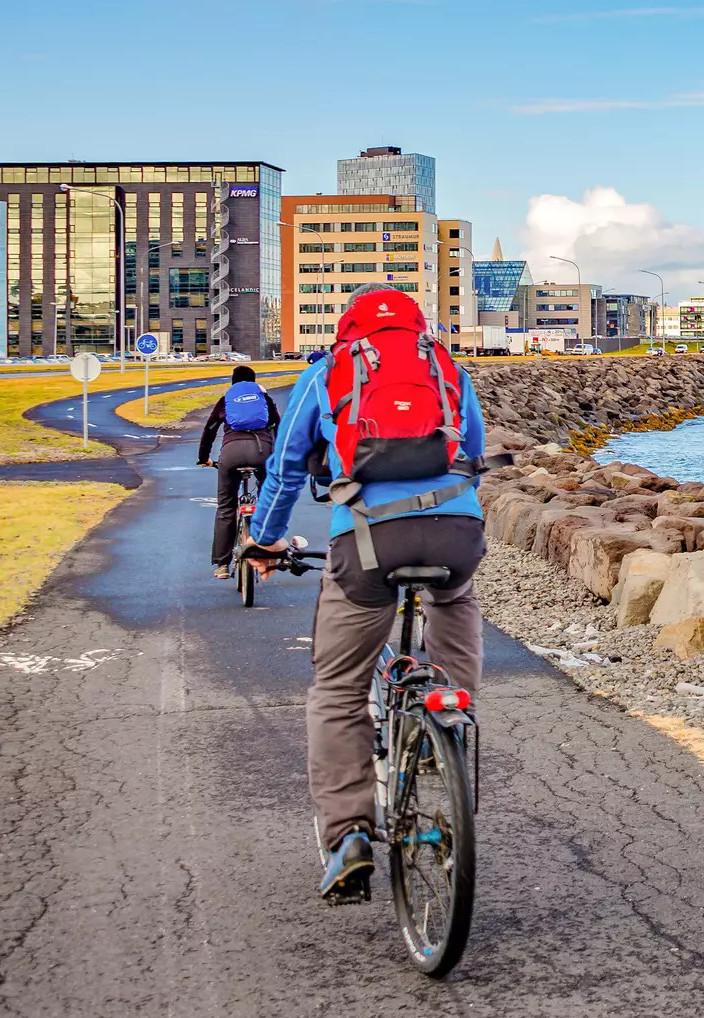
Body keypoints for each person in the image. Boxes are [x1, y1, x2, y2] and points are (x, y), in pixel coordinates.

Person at [247, 284, 494, 904]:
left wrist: (265, 541)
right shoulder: (445, 366)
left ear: (348, 329)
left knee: (338, 688)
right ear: (417, 326)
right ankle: (449, 720)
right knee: (456, 599)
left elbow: (285, 465)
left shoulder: (329, 371)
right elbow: (475, 451)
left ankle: (347, 837)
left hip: (365, 540)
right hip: (453, 532)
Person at [198, 364, 282, 579]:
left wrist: (203, 458)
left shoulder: (227, 399)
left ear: (232, 382)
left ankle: (222, 564)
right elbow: (279, 425)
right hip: (262, 453)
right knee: (267, 498)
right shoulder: (264, 398)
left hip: (231, 454)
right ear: (254, 381)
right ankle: (265, 545)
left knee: (226, 507)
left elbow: (210, 430)